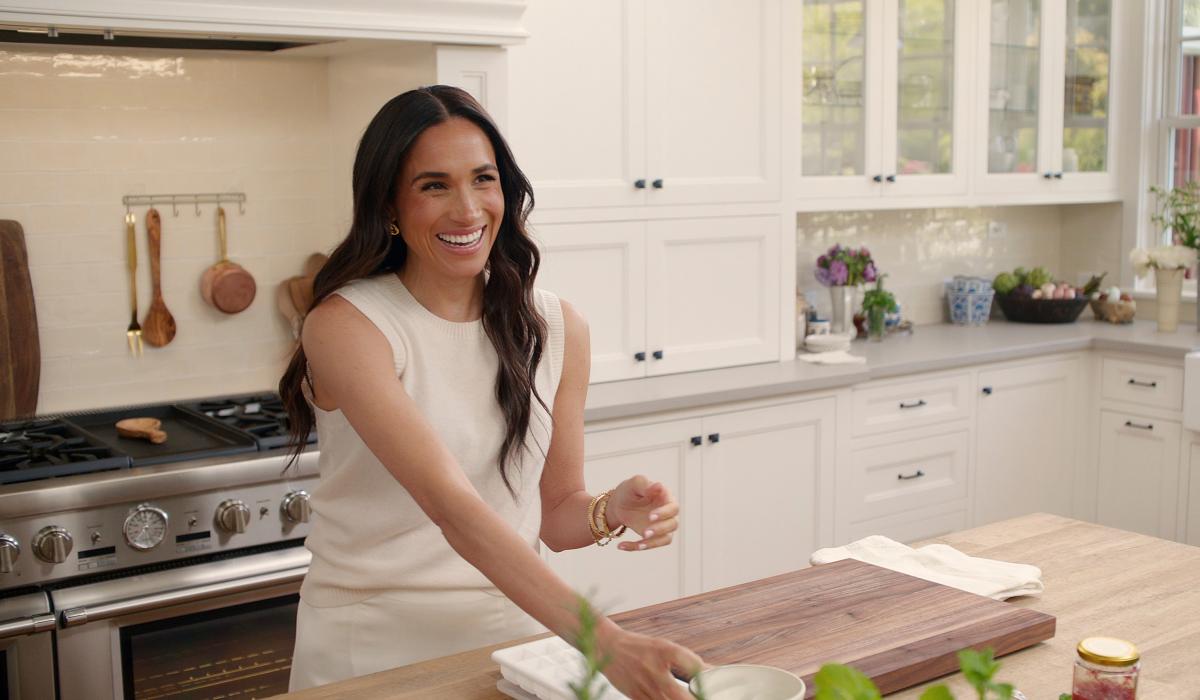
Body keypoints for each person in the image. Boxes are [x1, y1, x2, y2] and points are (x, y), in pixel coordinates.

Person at [278, 85, 704, 699]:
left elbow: (553, 518)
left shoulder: (557, 327)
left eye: (483, 179)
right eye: (434, 186)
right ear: (390, 206)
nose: (467, 209)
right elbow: (454, 511)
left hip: (517, 641)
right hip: (372, 647)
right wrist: (606, 643)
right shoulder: (349, 327)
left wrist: (611, 510)